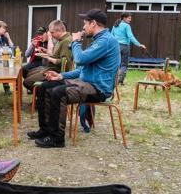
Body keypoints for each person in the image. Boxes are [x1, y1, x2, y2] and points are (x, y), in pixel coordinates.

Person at [28, 9, 120, 148]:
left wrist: (76, 41)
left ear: (93, 23)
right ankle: (45, 129)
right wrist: (61, 75)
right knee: (44, 87)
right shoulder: (98, 41)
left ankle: (57, 138)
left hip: (97, 88)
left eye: (85, 23)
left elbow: (80, 59)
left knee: (58, 92)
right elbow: (81, 70)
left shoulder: (106, 41)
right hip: (85, 82)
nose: (83, 27)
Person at [22, 20, 73, 90]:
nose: (51, 35)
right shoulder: (60, 40)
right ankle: (44, 94)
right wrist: (46, 54)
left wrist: (49, 58)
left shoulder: (66, 41)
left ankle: (44, 96)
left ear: (60, 30)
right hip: (50, 68)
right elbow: (56, 55)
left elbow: (65, 63)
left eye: (52, 33)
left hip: (56, 72)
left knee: (27, 82)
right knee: (28, 73)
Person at [111, 13, 146, 85]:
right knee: (123, 65)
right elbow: (130, 36)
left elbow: (111, 36)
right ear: (124, 18)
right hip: (124, 47)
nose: (130, 20)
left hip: (115, 47)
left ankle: (113, 81)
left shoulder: (115, 25)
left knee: (115, 64)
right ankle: (120, 81)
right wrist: (139, 45)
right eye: (129, 18)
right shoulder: (127, 26)